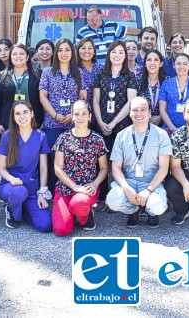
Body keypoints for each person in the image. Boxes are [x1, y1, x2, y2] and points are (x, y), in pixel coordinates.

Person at [106, 97, 172, 228]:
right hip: (129, 182)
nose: (139, 114)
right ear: (130, 113)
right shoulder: (121, 136)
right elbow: (116, 168)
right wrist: (127, 189)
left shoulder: (161, 135)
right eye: (135, 110)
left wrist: (148, 190)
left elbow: (164, 168)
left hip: (152, 182)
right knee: (112, 201)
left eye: (143, 110)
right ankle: (133, 210)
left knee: (156, 207)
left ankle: (151, 212)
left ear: (149, 113)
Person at [92, 40, 138, 210]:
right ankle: (103, 197)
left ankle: (121, 197)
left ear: (125, 56)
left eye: (120, 52)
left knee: (121, 164)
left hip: (122, 126)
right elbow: (95, 100)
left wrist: (113, 122)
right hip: (102, 126)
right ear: (109, 54)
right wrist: (101, 122)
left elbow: (131, 102)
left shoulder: (130, 76)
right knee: (102, 162)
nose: (117, 55)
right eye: (114, 52)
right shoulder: (101, 74)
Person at [52, 100, 109, 235]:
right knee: (61, 230)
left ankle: (85, 216)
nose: (80, 117)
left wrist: (95, 184)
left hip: (87, 188)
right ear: (72, 116)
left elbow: (104, 168)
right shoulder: (63, 138)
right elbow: (58, 168)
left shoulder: (97, 139)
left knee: (79, 203)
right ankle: (72, 211)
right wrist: (74, 187)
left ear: (90, 116)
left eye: (84, 114)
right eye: (76, 114)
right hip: (65, 187)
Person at [0, 101, 52, 231]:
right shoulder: (7, 136)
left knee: (45, 225)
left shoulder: (40, 136)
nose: (22, 117)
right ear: (14, 117)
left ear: (32, 114)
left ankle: (23, 209)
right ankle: (12, 209)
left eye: (25, 112)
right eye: (18, 114)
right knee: (19, 192)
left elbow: (44, 168)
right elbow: (1, 168)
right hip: (11, 186)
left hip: (32, 188)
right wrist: (12, 179)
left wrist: (41, 192)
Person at [39, 38, 84, 192]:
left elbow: (82, 97)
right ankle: (54, 192)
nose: (64, 53)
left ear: (72, 52)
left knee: (73, 158)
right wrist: (56, 115)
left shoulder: (80, 72)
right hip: (53, 124)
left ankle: (72, 189)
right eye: (60, 50)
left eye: (67, 50)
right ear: (56, 53)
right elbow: (43, 96)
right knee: (54, 159)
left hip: (75, 124)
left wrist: (73, 115)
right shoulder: (48, 72)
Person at [0, 43, 44, 134]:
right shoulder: (1, 77)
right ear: (10, 57)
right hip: (8, 127)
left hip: (34, 125)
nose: (18, 56)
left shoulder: (39, 75)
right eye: (14, 54)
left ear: (27, 57)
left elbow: (45, 100)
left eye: (21, 53)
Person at [159, 53, 189, 132]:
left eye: (185, 64)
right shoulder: (166, 83)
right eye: (178, 64)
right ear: (174, 65)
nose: (181, 67)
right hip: (169, 128)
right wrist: (173, 128)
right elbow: (162, 109)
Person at [137, 49, 166, 127]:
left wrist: (160, 117)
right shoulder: (137, 81)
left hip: (163, 125)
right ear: (145, 64)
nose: (152, 63)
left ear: (161, 64)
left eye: (156, 60)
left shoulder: (167, 81)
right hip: (141, 123)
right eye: (149, 60)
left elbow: (171, 104)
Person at [77, 37, 103, 112]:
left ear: (94, 51)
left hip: (99, 112)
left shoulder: (101, 69)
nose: (87, 51)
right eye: (83, 48)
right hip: (81, 112)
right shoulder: (74, 69)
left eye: (90, 48)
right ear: (78, 50)